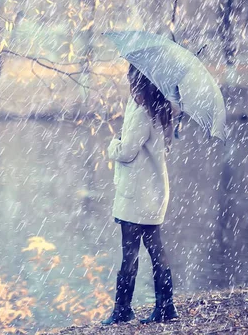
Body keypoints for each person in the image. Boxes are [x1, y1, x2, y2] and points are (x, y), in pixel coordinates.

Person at [101, 64, 179, 325]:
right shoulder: (162, 109)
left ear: (138, 82)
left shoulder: (141, 113)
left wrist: (114, 144)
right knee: (155, 249)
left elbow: (126, 152)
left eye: (129, 78)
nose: (127, 82)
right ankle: (166, 307)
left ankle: (122, 310)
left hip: (136, 194)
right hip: (154, 191)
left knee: (130, 254)